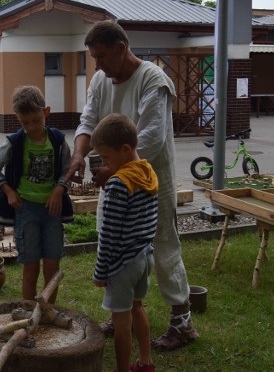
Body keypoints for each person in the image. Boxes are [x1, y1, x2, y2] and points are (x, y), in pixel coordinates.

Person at [66, 20, 199, 351]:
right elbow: (87, 120)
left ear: (121, 49)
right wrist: (79, 156)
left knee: (163, 243)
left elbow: (151, 137)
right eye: (93, 58)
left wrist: (114, 172)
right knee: (112, 237)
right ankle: (120, 311)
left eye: (100, 57)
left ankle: (182, 322)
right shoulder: (101, 80)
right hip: (116, 178)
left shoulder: (154, 81)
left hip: (152, 181)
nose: (97, 65)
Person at [0, 85, 73, 304]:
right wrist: (8, 192)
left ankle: (47, 311)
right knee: (31, 267)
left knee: (52, 267)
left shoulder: (58, 141)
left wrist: (59, 189)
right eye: (25, 122)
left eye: (36, 120)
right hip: (26, 212)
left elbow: (67, 170)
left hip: (52, 212)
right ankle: (28, 313)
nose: (31, 127)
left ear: (46, 112)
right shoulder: (14, 143)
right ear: (17, 117)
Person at [91, 113, 157, 372]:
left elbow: (109, 234)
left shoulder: (119, 183)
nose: (105, 164)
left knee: (121, 321)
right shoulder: (147, 172)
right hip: (144, 256)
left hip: (122, 264)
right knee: (138, 307)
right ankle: (146, 361)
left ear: (126, 149)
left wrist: (101, 272)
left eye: (107, 157)